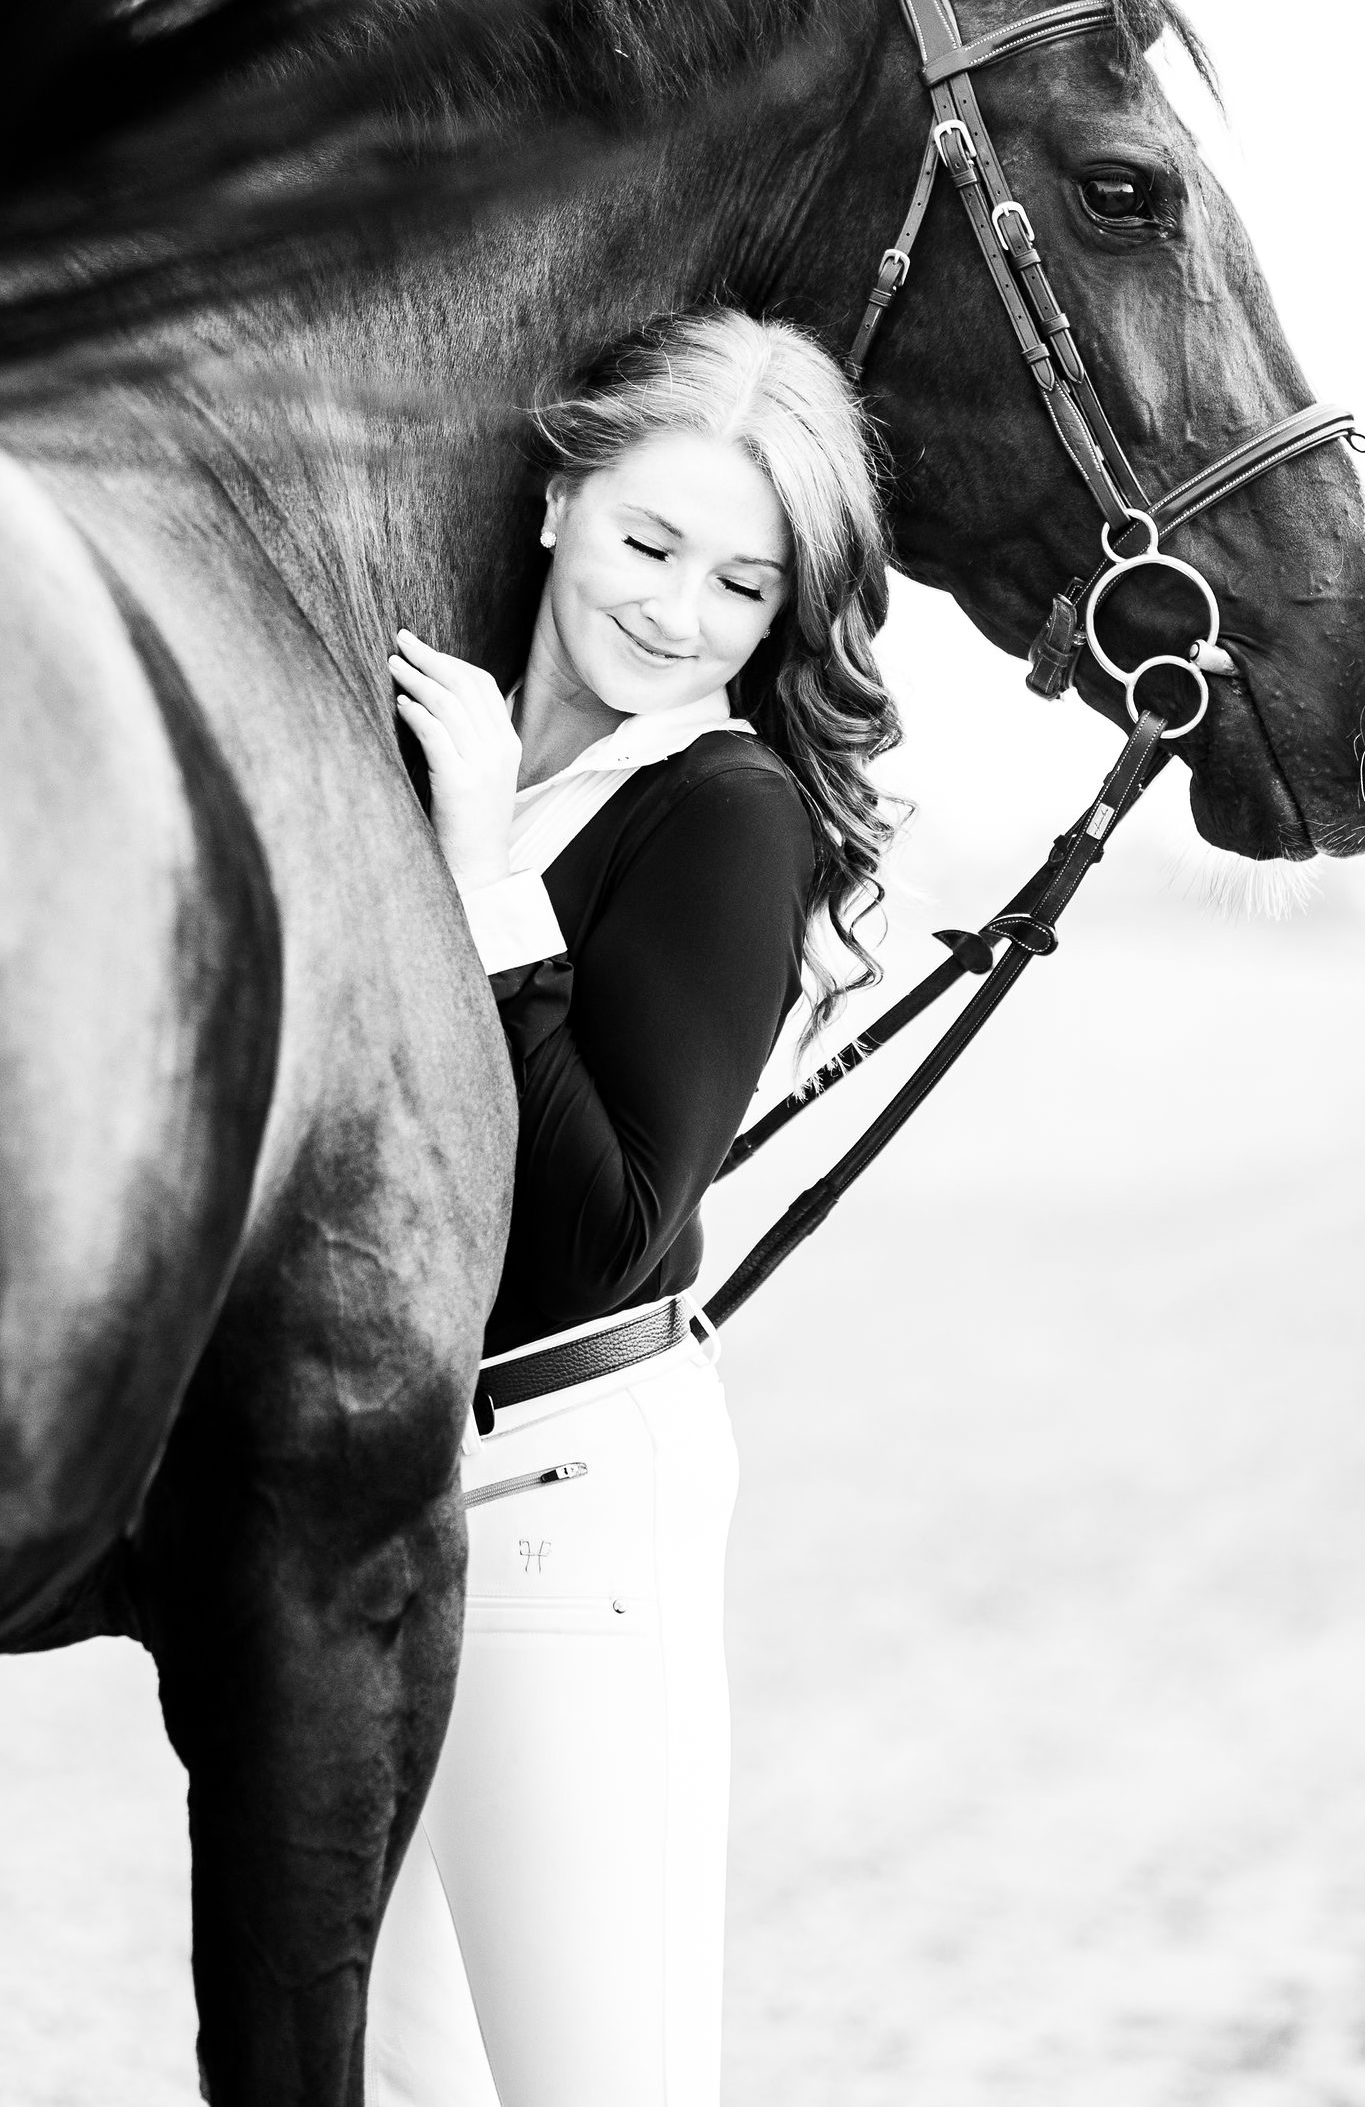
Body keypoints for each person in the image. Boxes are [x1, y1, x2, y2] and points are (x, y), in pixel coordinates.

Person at [365, 306, 899, 2107]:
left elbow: (599, 1234)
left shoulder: (724, 813)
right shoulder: (434, 738)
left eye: (743, 587)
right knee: (399, 2080)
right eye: (649, 544)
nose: (677, 615)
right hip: (382, 1504)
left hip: (565, 1501)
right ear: (557, 502)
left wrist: (482, 865)